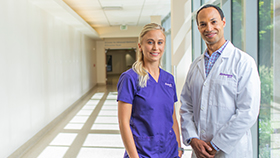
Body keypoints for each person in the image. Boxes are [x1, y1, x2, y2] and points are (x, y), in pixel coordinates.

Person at [180, 4, 260, 158]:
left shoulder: (243, 62)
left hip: (232, 151)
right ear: (198, 28)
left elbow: (248, 111)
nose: (209, 28)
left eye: (213, 22)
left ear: (223, 22)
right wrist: (193, 138)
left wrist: (216, 144)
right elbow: (186, 106)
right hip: (200, 150)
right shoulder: (195, 65)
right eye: (203, 24)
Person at [117, 23, 183, 158]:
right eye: (150, 42)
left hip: (170, 151)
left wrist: (179, 146)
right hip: (142, 152)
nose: (155, 47)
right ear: (140, 46)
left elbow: (172, 117)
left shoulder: (169, 79)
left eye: (160, 42)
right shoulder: (130, 78)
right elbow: (123, 122)